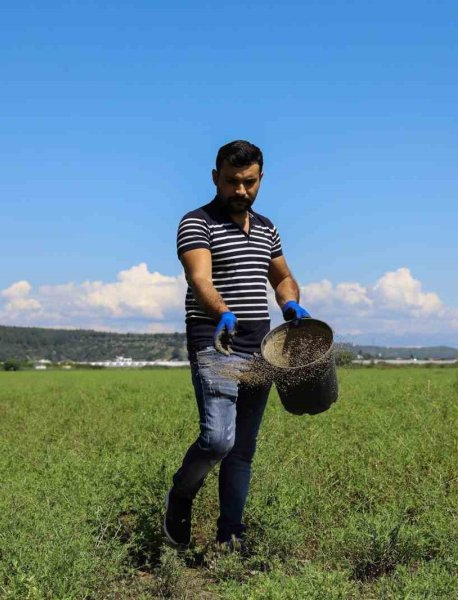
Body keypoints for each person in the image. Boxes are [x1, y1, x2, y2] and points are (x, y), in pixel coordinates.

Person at [164, 140, 311, 552]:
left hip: (261, 349)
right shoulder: (197, 222)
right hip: (217, 343)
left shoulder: (267, 229)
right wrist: (222, 311)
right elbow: (200, 279)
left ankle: (230, 536)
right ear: (216, 178)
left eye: (248, 183)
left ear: (261, 178)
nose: (240, 191)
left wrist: (290, 302)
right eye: (231, 182)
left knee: (242, 450)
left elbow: (282, 276)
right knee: (217, 440)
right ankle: (179, 496)